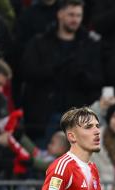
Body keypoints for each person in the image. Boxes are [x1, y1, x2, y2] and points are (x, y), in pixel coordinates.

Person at [21, 0, 103, 140]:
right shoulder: (40, 42)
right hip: (44, 117)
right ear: (60, 14)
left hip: (76, 117)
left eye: (78, 15)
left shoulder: (89, 45)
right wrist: (53, 69)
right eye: (71, 14)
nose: (75, 19)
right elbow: (27, 71)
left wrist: (82, 76)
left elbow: (98, 78)